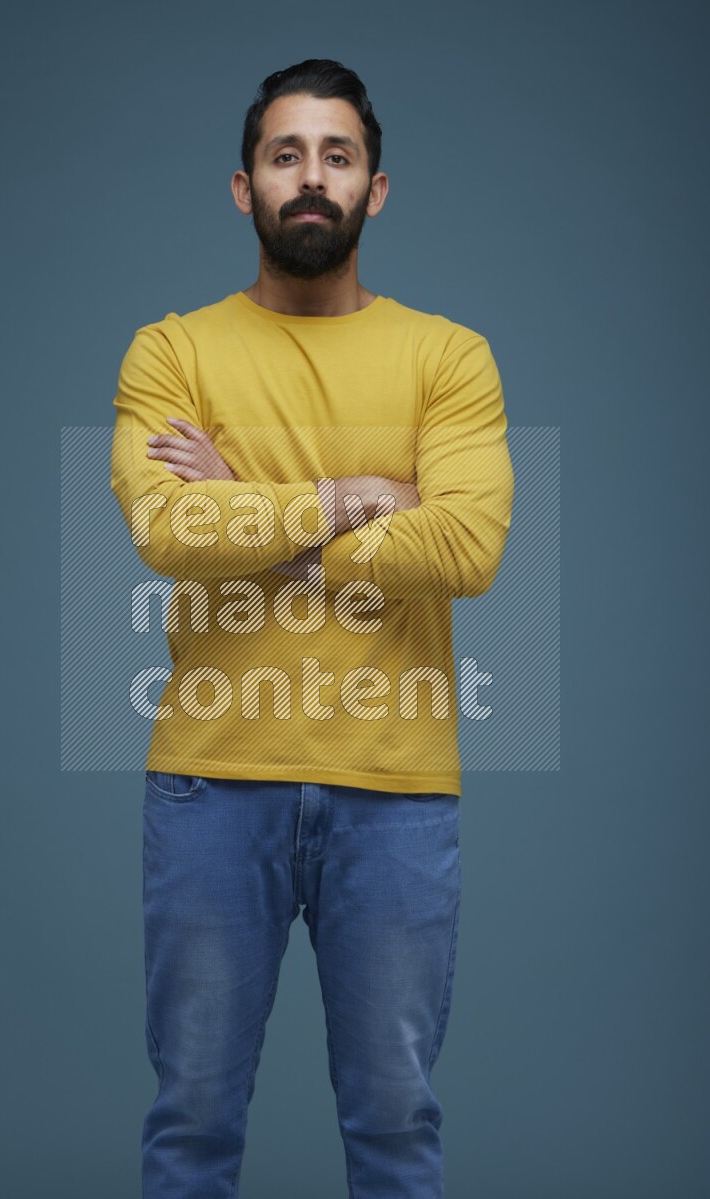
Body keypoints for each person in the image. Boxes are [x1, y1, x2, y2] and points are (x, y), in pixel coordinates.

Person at [110, 57, 514, 1199]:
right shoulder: (171, 351)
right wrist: (359, 496)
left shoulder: (447, 357)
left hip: (392, 786)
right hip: (208, 782)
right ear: (242, 185)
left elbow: (466, 551)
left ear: (373, 189)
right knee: (190, 1120)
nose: (310, 176)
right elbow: (163, 528)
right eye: (285, 153)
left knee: (393, 1123)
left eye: (336, 155)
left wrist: (261, 516)